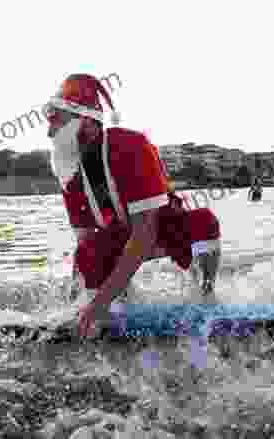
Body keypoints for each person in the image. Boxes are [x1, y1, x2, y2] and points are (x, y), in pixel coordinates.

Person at [44, 73, 222, 338]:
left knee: (205, 222)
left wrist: (100, 304)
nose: (49, 133)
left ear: (86, 122)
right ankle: (120, 305)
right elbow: (84, 245)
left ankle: (206, 294)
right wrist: (78, 305)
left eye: (56, 123)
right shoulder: (69, 172)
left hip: (163, 228)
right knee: (88, 254)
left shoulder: (131, 146)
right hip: (120, 236)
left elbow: (145, 235)